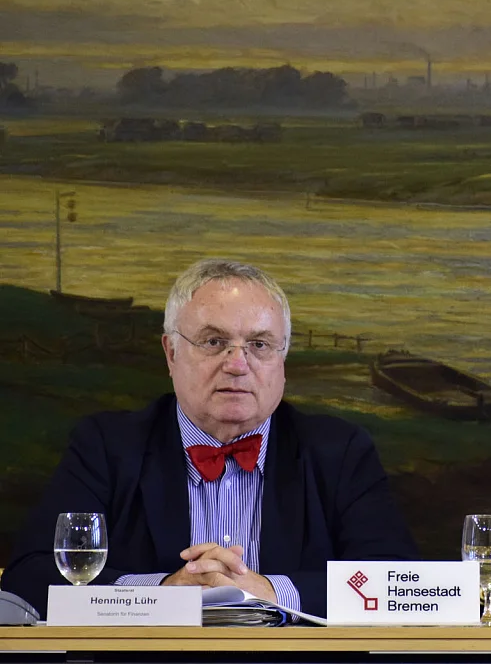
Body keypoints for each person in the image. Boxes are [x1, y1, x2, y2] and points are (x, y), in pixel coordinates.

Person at [1, 259, 418, 618]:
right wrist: (163, 594)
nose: (238, 364)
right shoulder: (106, 446)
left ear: (282, 362)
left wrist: (271, 594)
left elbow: (400, 583)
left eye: (259, 344)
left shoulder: (340, 452)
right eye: (215, 342)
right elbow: (32, 576)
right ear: (171, 354)